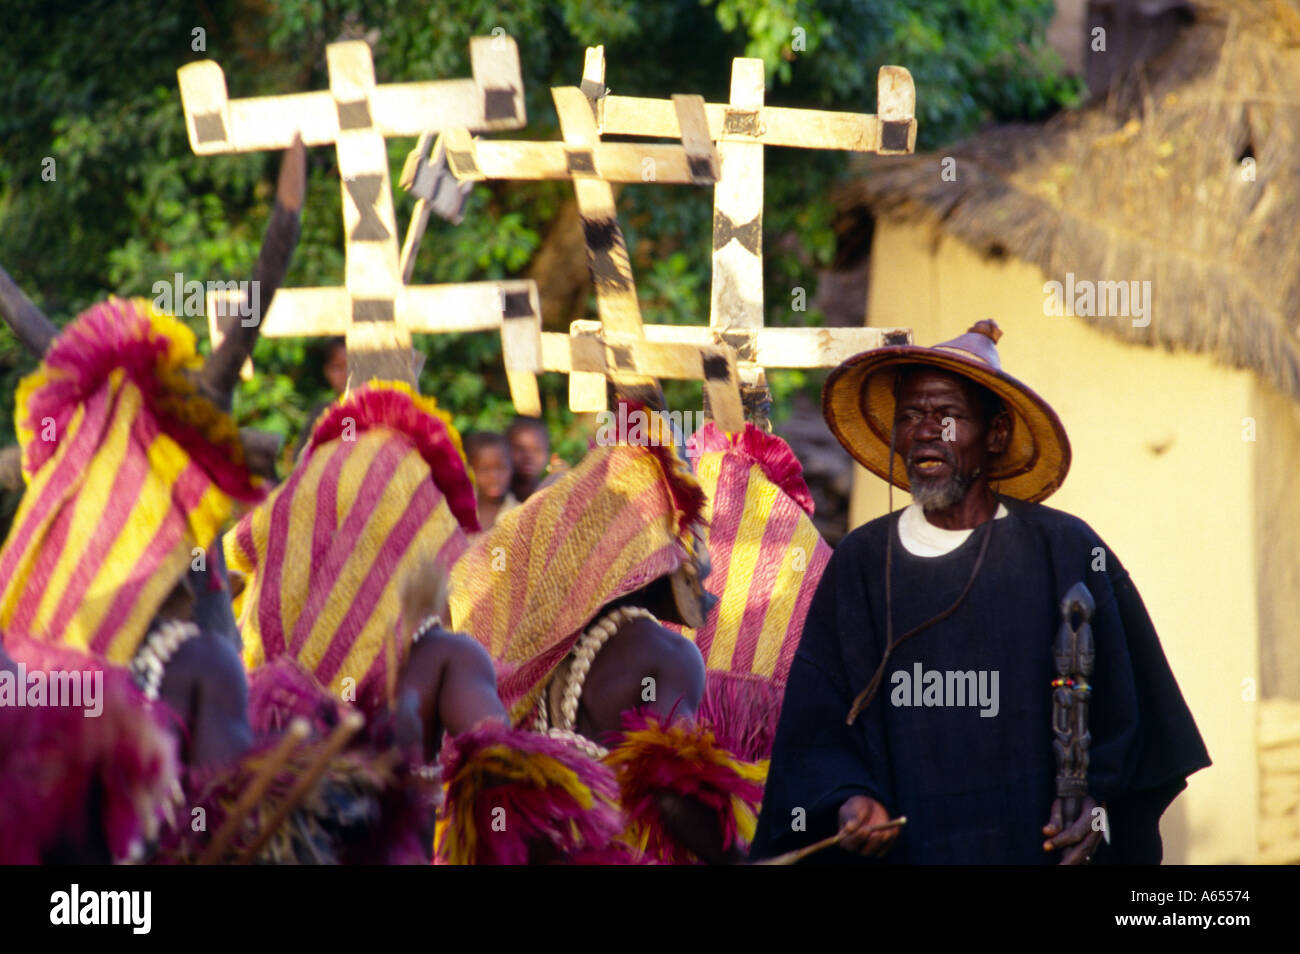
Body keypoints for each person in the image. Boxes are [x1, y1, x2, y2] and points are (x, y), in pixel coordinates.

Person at [751, 320, 1210, 865]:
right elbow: (817, 723)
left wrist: (1100, 805)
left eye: (948, 416)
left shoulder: (1065, 549)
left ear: (994, 434)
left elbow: (1140, 723)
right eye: (911, 416)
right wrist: (848, 799)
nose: (926, 431)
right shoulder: (862, 564)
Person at [451, 401, 764, 863]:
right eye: (688, 535)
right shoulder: (668, 655)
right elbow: (669, 790)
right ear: (649, 554)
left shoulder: (537, 644)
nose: (700, 559)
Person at [462, 431, 518, 532]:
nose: (494, 477)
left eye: (501, 468)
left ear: (512, 467)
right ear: (470, 470)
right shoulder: (457, 513)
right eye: (484, 469)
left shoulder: (521, 515)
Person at [505, 415, 563, 502]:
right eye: (520, 449)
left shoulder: (555, 496)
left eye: (537, 450)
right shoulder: (493, 497)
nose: (529, 457)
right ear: (505, 449)